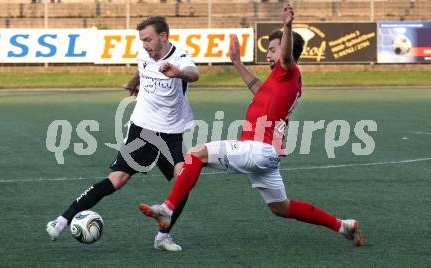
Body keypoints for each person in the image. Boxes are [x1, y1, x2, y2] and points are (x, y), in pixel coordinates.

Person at [138, 4, 364, 247]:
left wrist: (287, 26)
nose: (268, 54)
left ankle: (168, 208)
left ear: (285, 52)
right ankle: (342, 225)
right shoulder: (283, 79)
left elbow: (286, 56)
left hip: (257, 148)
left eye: (272, 50)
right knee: (281, 207)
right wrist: (236, 62)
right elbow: (259, 89)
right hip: (268, 154)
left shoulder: (288, 69)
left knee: (195, 154)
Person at [46, 16, 199, 252]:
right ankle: (62, 220)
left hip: (171, 133)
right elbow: (143, 70)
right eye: (142, 40)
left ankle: (163, 237)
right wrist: (134, 82)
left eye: (148, 39)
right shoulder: (144, 55)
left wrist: (177, 73)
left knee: (184, 181)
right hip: (143, 128)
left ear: (163, 37)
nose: (144, 44)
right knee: (117, 180)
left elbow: (193, 74)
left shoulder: (180, 58)